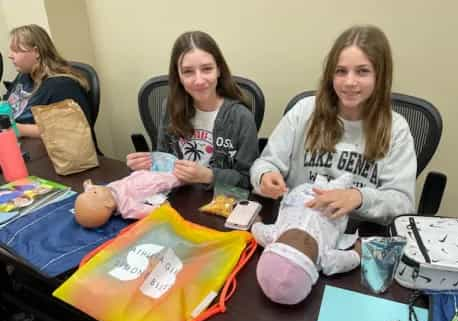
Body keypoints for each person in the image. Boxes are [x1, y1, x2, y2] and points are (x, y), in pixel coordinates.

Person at [250, 25, 416, 225]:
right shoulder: (304, 111)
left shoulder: (396, 129)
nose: (349, 81)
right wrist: (265, 176)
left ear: (380, 77)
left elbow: (403, 203)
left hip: (357, 233)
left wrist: (358, 198)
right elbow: (265, 163)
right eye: (341, 71)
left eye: (362, 71)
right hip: (299, 224)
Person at [126, 31, 258, 189]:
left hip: (219, 203)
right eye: (188, 72)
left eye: (207, 69)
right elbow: (165, 159)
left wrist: (208, 176)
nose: (199, 80)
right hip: (179, 196)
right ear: (178, 76)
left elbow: (248, 180)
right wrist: (150, 164)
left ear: (219, 70)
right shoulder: (171, 107)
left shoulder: (241, 117)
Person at [252, 174, 360, 305]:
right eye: (304, 246)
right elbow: (350, 259)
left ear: (274, 244)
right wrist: (358, 252)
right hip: (334, 203)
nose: (300, 237)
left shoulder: (271, 236)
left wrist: (255, 221)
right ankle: (344, 180)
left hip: (301, 194)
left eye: (289, 241)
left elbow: (257, 230)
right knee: (343, 183)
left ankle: (333, 180)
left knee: (338, 186)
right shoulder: (326, 259)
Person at [4, 24, 91, 138]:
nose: (10, 56)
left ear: (36, 52)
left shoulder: (62, 86)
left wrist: (20, 130)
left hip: (49, 152)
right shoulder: (24, 75)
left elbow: (70, 129)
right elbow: (7, 104)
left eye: (16, 51)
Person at [74, 170, 181, 228]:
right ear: (109, 203)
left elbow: (91, 188)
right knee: (176, 178)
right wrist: (161, 209)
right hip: (151, 184)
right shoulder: (126, 207)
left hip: (139, 175)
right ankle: (181, 178)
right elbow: (143, 210)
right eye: (94, 192)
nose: (92, 189)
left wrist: (88, 186)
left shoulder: (105, 193)